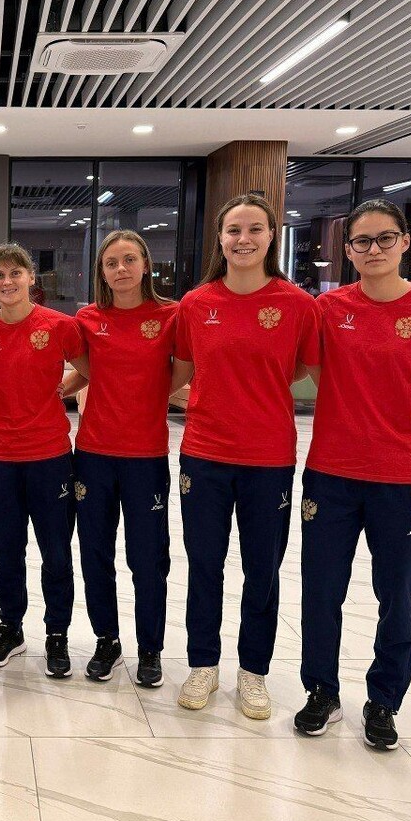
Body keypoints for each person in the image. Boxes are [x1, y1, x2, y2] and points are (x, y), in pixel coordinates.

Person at [294, 199, 411, 751]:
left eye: (384, 238)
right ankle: (321, 691)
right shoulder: (328, 309)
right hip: (331, 474)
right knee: (322, 591)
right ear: (347, 251)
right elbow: (308, 372)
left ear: (405, 242)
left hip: (402, 477)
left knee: (398, 596)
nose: (374, 249)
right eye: (362, 241)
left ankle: (385, 700)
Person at [174, 194, 320, 720]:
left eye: (255, 229)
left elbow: (302, 369)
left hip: (268, 457)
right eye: (233, 230)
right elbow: (179, 373)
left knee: (263, 569)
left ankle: (253, 671)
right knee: (204, 566)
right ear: (220, 239)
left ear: (271, 236)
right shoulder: (196, 304)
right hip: (204, 455)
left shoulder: (298, 305)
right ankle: (203, 664)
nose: (243, 239)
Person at [0, 243, 88, 678]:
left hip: (50, 458)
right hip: (0, 458)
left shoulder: (59, 325)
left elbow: (89, 368)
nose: (8, 281)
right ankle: (10, 628)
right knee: (7, 551)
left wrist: (63, 389)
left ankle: (57, 634)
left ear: (31, 278)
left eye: (16, 273)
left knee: (56, 553)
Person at [59, 230, 177, 687]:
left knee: (148, 559)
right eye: (111, 263)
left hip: (146, 456)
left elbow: (182, 371)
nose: (121, 269)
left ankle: (150, 648)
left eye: (129, 259)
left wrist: (149, 391)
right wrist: (49, 391)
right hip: (93, 454)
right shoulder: (87, 319)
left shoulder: (170, 315)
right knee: (95, 554)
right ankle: (106, 639)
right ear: (102, 272)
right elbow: (85, 369)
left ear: (146, 265)